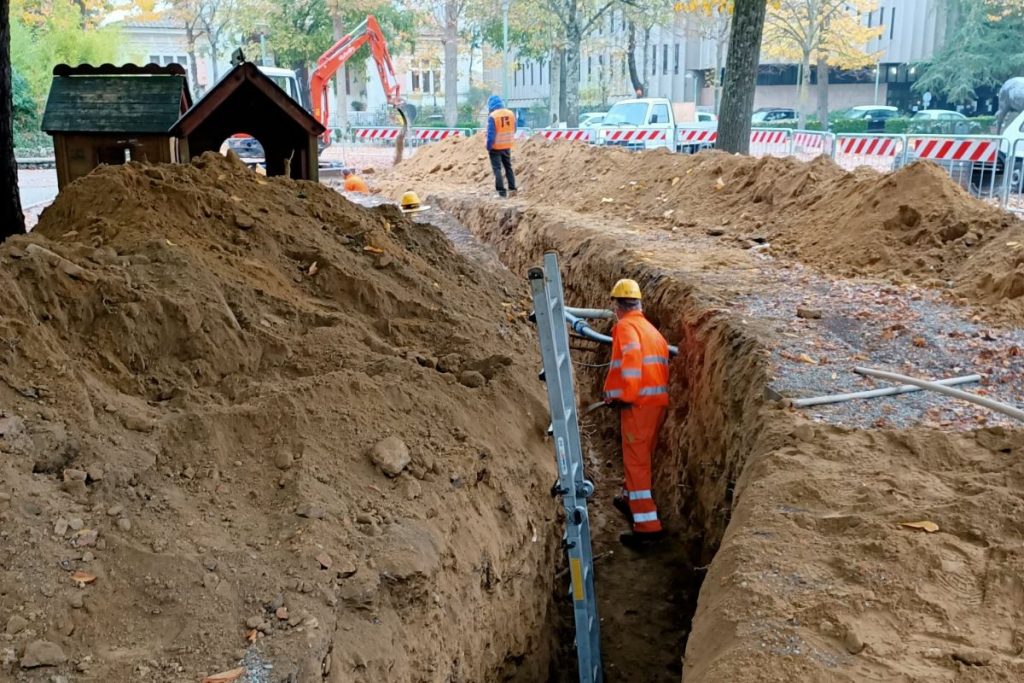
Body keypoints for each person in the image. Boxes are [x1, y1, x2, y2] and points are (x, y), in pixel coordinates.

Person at [602, 278, 670, 549]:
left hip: (638, 405)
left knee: (637, 463)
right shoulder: (651, 329)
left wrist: (621, 395)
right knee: (641, 457)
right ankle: (630, 498)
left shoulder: (626, 327)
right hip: (655, 405)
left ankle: (647, 528)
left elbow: (630, 365)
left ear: (618, 306)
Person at [485, 95, 517, 199]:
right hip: (507, 145)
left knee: (497, 169)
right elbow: (514, 129)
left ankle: (501, 191)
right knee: (508, 167)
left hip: (495, 147)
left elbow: (491, 135)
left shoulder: (493, 116)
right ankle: (512, 188)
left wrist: (488, 146)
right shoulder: (510, 113)